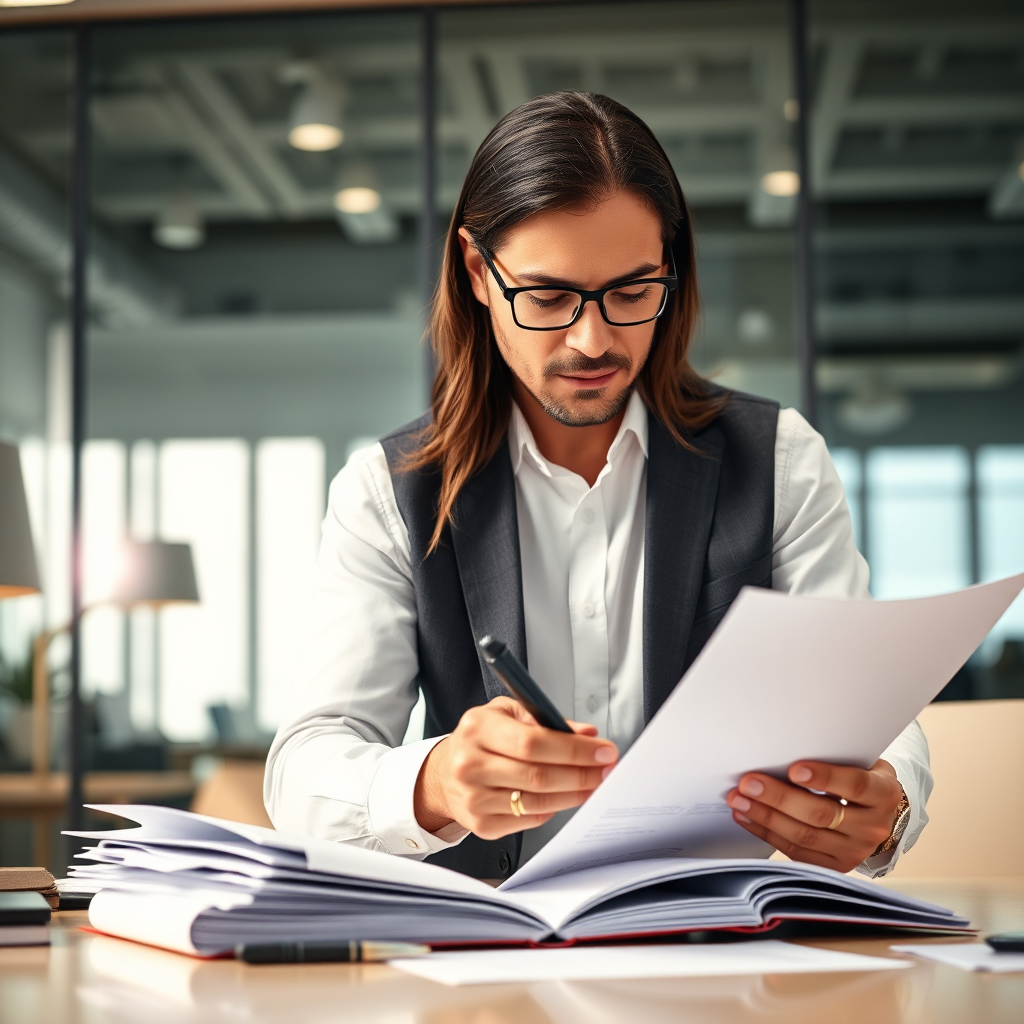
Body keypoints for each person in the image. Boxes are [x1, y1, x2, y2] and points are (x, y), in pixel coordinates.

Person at [265, 91, 930, 881]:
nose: (594, 340)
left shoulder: (779, 459)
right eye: (548, 297)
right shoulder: (388, 491)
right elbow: (304, 767)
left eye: (630, 292)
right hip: (489, 970)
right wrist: (436, 781)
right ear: (479, 273)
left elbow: (867, 711)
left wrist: (886, 810)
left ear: (670, 271)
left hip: (722, 957)